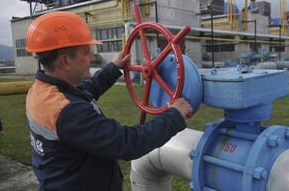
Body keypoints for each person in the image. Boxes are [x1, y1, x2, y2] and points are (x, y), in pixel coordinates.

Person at [25, 11, 193, 190]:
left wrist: (113, 68)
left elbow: (86, 91)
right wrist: (174, 116)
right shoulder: (68, 112)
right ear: (65, 61)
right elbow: (127, 143)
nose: (91, 58)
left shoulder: (41, 91)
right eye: (86, 52)